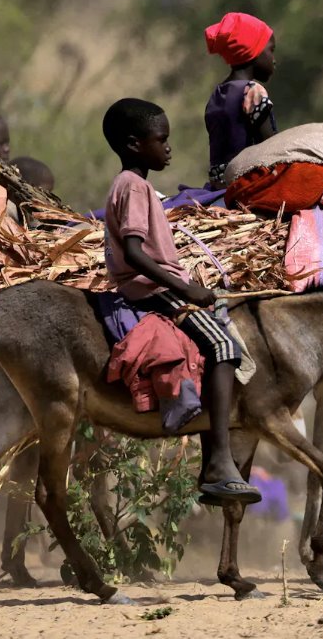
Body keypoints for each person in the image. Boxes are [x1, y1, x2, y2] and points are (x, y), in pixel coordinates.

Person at [101, 98, 260, 505]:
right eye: (162, 139)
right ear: (135, 144)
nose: (168, 147)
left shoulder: (132, 185)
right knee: (224, 346)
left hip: (161, 285)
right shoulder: (134, 187)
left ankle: (215, 465)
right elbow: (136, 253)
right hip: (153, 290)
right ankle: (221, 460)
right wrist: (186, 289)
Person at [204, 12, 278, 190]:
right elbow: (272, 148)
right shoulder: (252, 91)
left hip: (218, 185)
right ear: (255, 52)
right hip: (246, 182)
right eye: (271, 50)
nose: (274, 61)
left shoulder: (217, 94)